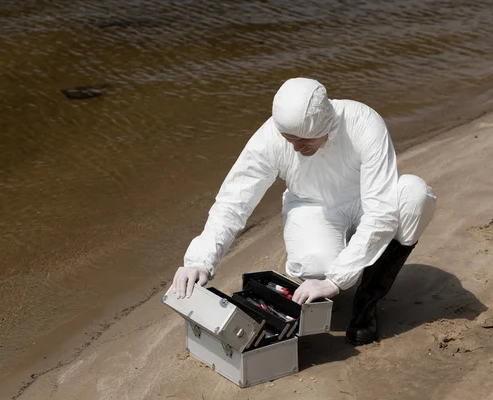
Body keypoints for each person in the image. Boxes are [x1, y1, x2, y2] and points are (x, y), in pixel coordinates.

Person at [172, 77, 437, 345]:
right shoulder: (269, 139)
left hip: (365, 201)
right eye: (289, 139)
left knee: (414, 195)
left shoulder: (363, 122)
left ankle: (367, 301)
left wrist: (336, 280)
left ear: (326, 123)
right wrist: (200, 260)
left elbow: (380, 211)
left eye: (304, 139)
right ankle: (342, 268)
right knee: (314, 265)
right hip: (312, 206)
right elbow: (234, 201)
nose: (296, 147)